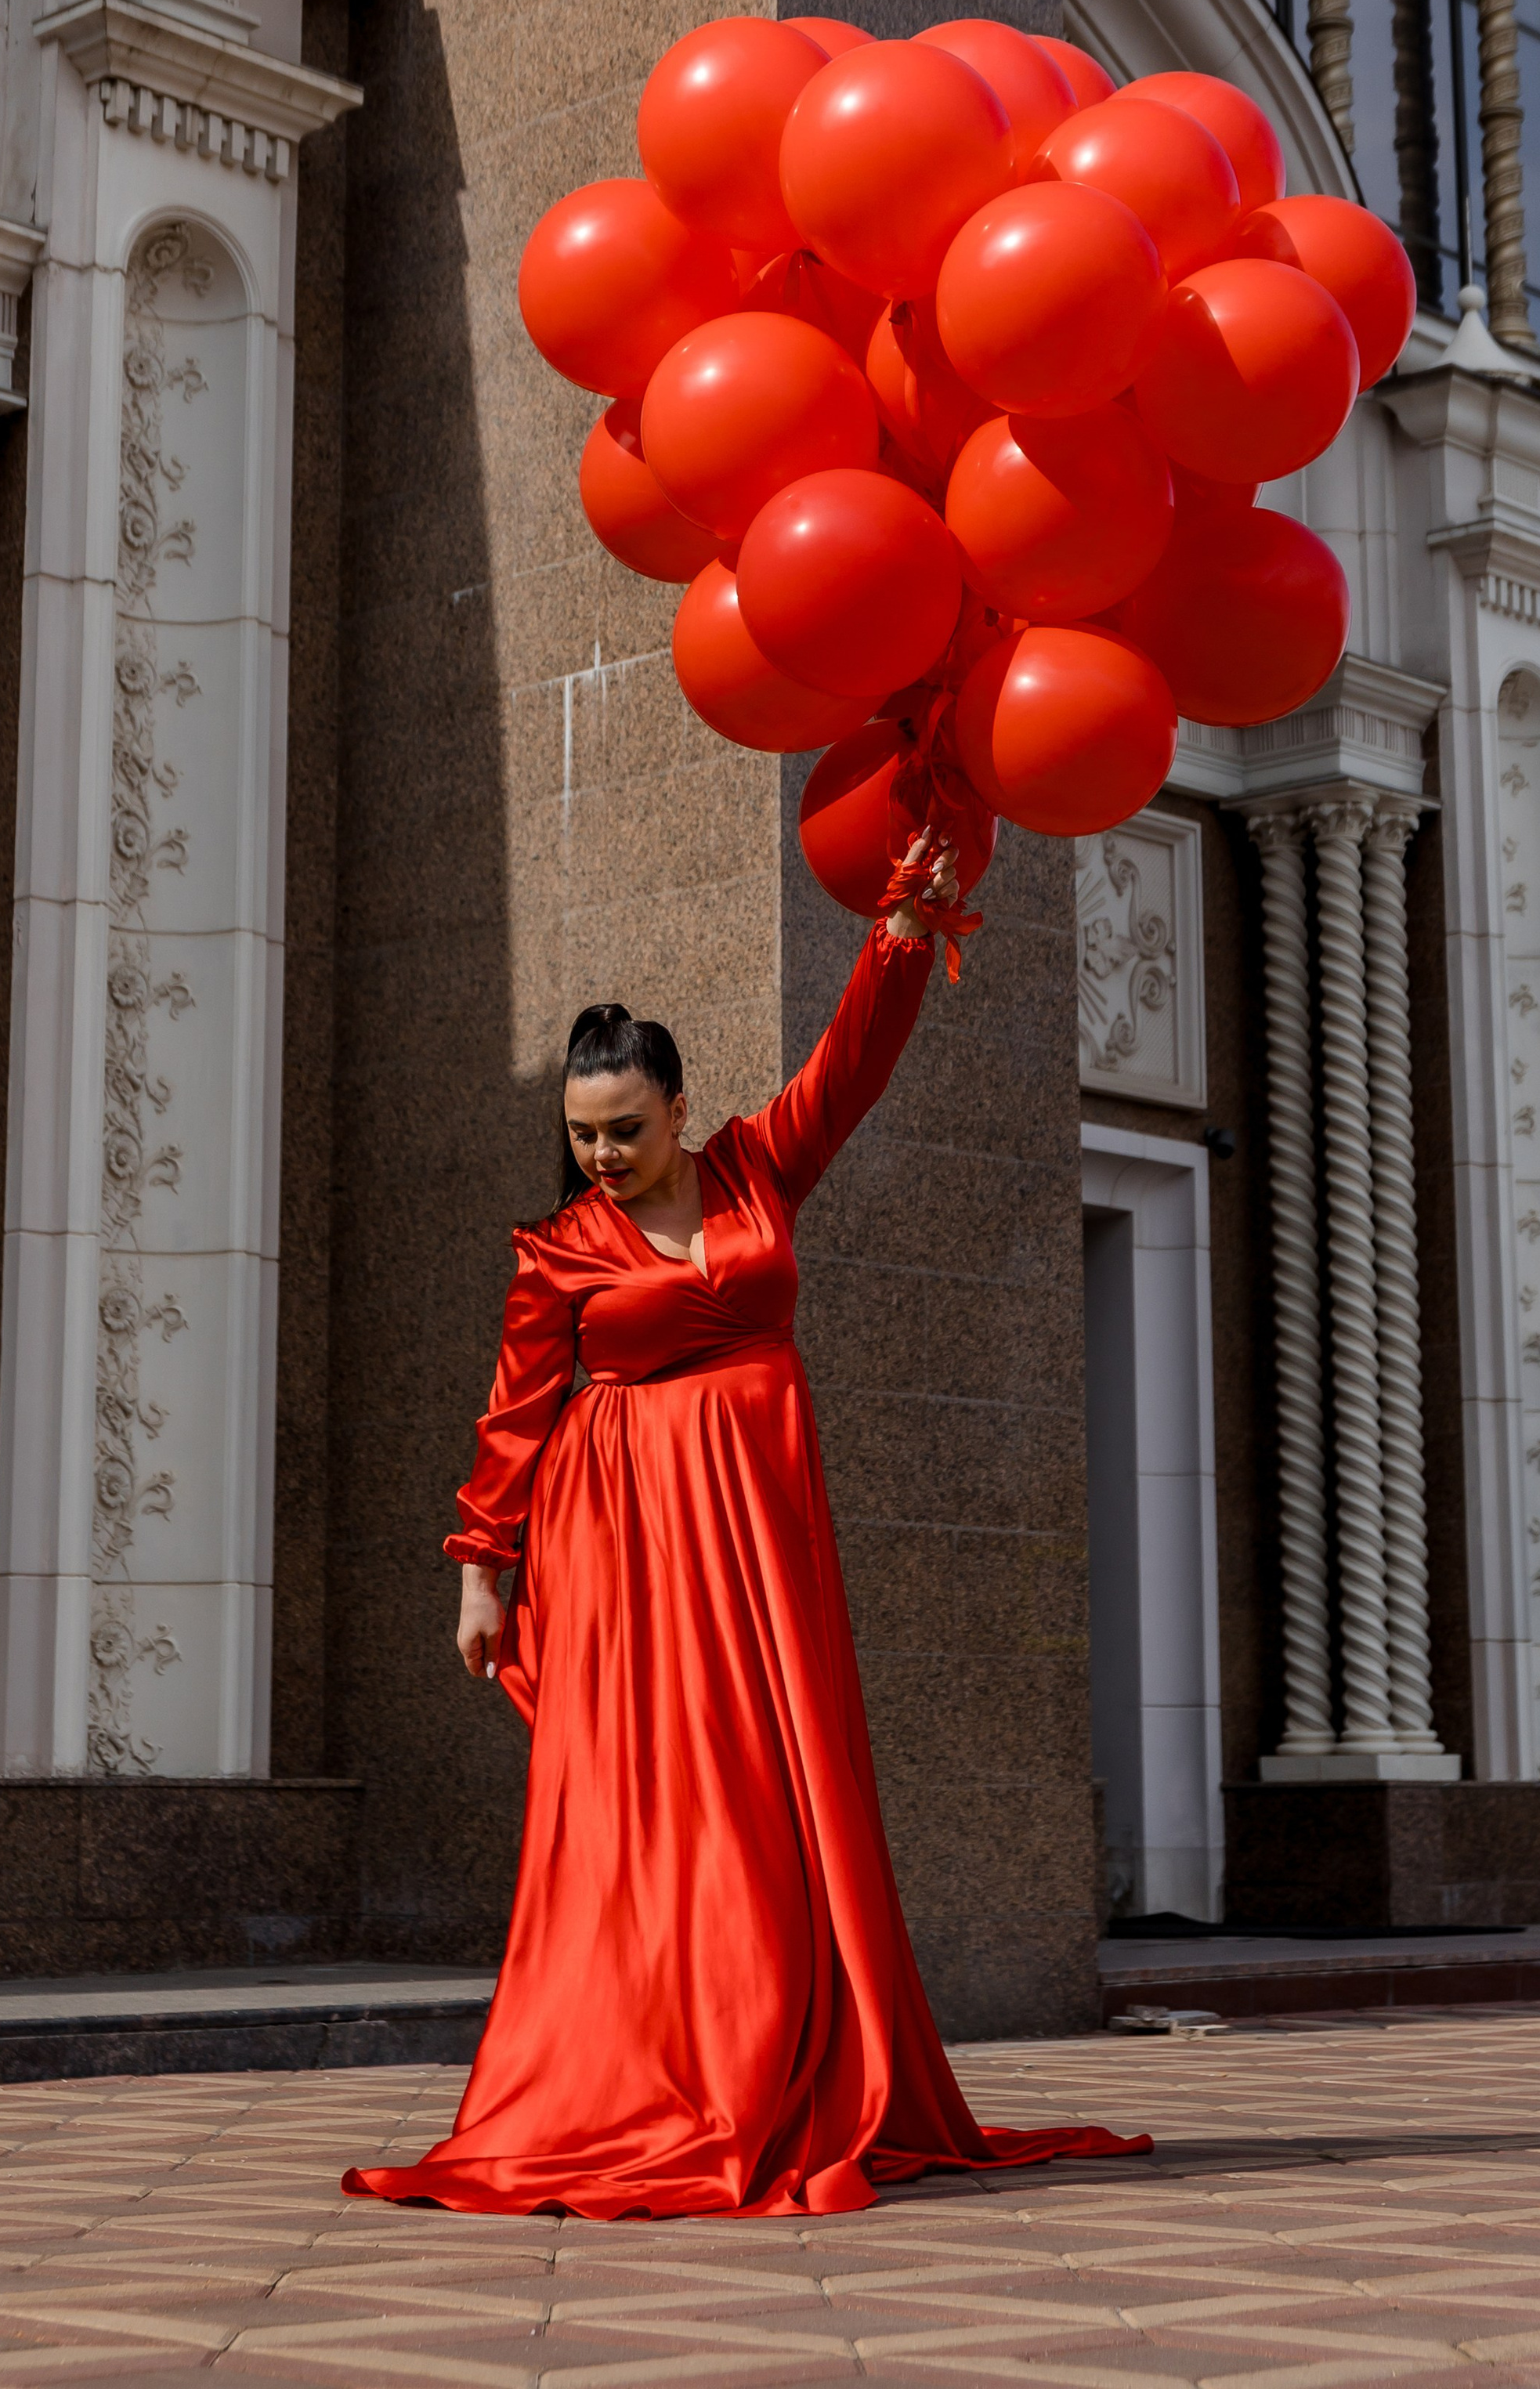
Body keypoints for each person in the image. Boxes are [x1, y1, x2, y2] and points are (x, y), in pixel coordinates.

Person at [343, 837, 1146, 2218]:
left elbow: (852, 1061)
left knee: (777, 1794)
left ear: (680, 1108)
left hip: (761, 1539)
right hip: (623, 1543)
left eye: (625, 1129)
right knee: (652, 1806)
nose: (599, 1156)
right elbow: (514, 1414)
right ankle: (639, 2075)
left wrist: (898, 935)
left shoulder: (761, 1169)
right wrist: (484, 1572)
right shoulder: (555, 1254)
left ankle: (779, 2065)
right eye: (582, 1134)